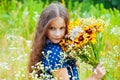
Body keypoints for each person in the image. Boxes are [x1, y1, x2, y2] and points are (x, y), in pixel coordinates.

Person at [28, 2, 106, 80]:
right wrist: (94, 77)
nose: (57, 34)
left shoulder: (56, 46)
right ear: (44, 28)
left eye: (62, 28)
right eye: (52, 28)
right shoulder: (55, 53)